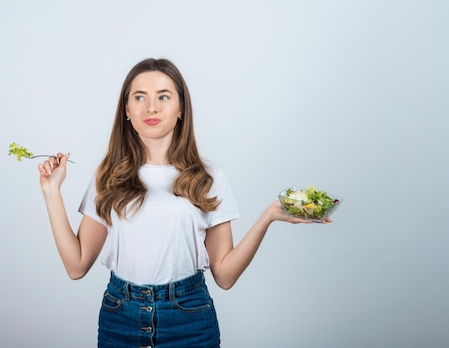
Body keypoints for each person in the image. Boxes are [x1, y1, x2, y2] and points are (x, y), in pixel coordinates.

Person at [37, 58, 330, 348]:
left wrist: (269, 216)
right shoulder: (107, 176)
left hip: (189, 320)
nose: (151, 107)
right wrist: (52, 193)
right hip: (120, 318)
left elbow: (225, 276)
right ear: (127, 109)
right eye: (140, 97)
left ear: (181, 109)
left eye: (163, 96)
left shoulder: (208, 177)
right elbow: (76, 266)